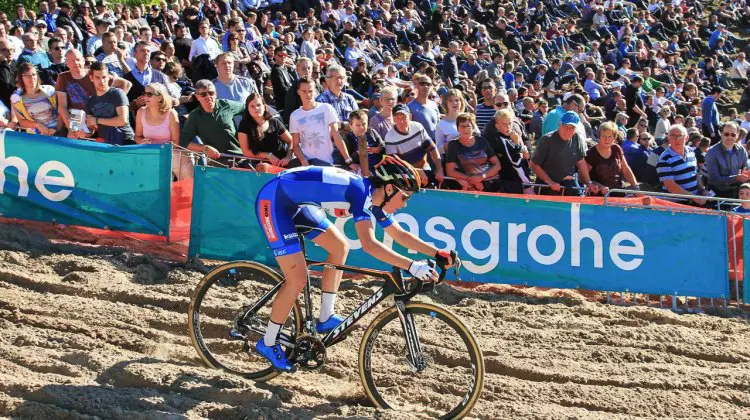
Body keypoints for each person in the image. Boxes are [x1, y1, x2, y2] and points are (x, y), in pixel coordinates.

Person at [253, 156, 455, 372]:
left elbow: (399, 235)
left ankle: (326, 316)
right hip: (274, 201)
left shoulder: (373, 198)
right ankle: (269, 341)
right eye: (404, 197)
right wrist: (412, 266)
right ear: (389, 189)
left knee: (340, 247)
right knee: (298, 279)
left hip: (298, 204)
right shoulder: (362, 194)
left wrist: (437, 252)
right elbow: (369, 245)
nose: (404, 204)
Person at [288, 76, 357, 169]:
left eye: (310, 91)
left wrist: (348, 160)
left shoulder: (327, 108)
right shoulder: (294, 116)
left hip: (328, 162)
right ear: (298, 92)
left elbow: (336, 135)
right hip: (307, 163)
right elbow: (295, 145)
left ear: (315, 91)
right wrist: (303, 161)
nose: (308, 94)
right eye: (304, 91)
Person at [530, 111, 597, 196]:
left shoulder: (577, 138)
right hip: (546, 187)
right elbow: (533, 164)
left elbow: (580, 161)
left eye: (572, 127)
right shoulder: (547, 140)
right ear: (560, 124)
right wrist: (550, 182)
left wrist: (588, 182)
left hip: (568, 185)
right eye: (566, 126)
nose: (568, 130)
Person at [134, 82, 192, 180]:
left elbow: (176, 143)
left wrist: (161, 149)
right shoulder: (140, 112)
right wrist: (141, 141)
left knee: (187, 183)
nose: (145, 97)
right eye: (144, 93)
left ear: (160, 97)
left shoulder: (171, 113)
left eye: (149, 94)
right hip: (150, 154)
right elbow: (137, 137)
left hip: (169, 154)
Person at [180, 79, 246, 164]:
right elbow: (184, 143)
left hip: (240, 157)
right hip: (217, 162)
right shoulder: (195, 116)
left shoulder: (226, 105)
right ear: (197, 97)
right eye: (203, 94)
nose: (208, 97)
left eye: (211, 93)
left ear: (216, 94)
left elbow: (246, 108)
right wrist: (205, 148)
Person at [237, 92, 294, 174]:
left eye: (258, 105)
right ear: (248, 109)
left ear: (264, 106)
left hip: (282, 165)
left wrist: (288, 157)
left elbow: (291, 141)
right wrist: (268, 155)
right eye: (252, 106)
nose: (256, 108)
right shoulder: (244, 125)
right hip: (258, 167)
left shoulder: (274, 122)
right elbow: (246, 152)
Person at [445, 113, 502, 192]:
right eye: (462, 126)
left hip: (492, 182)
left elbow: (497, 165)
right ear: (457, 128)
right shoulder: (453, 145)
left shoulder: (482, 141)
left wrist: (481, 177)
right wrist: (472, 180)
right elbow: (450, 171)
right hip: (471, 185)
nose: (465, 129)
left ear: (473, 128)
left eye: (468, 126)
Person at [82, 62, 134, 145]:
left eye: (104, 77)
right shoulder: (90, 101)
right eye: (97, 77)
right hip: (105, 143)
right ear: (91, 78)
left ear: (109, 77)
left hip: (125, 141)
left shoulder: (117, 93)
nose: (101, 81)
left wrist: (97, 120)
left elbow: (123, 120)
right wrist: (84, 134)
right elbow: (91, 127)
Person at [657, 124, 707, 206]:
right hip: (675, 204)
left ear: (686, 138)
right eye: (673, 136)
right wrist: (693, 197)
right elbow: (671, 186)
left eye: (680, 136)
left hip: (693, 200)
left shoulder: (691, 151)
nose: (676, 139)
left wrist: (702, 190)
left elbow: (695, 173)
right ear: (668, 138)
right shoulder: (664, 159)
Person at [584, 121, 639, 194]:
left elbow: (626, 170)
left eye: (609, 136)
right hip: (598, 195)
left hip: (618, 192)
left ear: (615, 137)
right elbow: (583, 178)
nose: (606, 139)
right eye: (603, 136)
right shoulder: (591, 153)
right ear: (599, 136)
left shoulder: (617, 149)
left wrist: (636, 187)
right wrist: (599, 186)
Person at [10, 62, 61, 136]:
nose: (32, 78)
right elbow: (21, 121)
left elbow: (61, 112)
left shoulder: (50, 90)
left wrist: (57, 130)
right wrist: (37, 125)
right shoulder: (15, 98)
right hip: (37, 137)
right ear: (21, 78)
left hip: (58, 133)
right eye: (27, 75)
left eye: (34, 74)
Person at [490, 109, 532, 194]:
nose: (508, 127)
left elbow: (524, 160)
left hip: (522, 180)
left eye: (510, 123)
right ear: (497, 125)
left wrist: (526, 156)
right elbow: (515, 162)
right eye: (504, 124)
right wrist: (517, 143)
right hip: (512, 182)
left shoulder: (511, 137)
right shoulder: (500, 140)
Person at [704, 121, 750, 198]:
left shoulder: (741, 150)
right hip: (719, 194)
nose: (729, 137)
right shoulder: (712, 152)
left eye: (733, 134)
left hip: (738, 193)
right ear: (721, 134)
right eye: (726, 134)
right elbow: (714, 180)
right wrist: (736, 178)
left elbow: (746, 170)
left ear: (737, 135)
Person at [347, 109, 385, 177]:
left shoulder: (371, 132)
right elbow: (345, 159)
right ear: (351, 125)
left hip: (379, 167)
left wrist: (378, 149)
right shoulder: (348, 139)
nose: (361, 127)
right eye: (357, 125)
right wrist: (358, 153)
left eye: (364, 124)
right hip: (361, 170)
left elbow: (383, 146)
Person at [407, 74, 440, 141]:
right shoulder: (409, 107)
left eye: (428, 84)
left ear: (431, 87)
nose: (425, 86)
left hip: (436, 144)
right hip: (421, 146)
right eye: (422, 84)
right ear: (417, 86)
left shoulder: (434, 104)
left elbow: (438, 125)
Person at [435, 89, 466, 155]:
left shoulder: (468, 118)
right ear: (446, 104)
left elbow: (478, 136)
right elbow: (438, 150)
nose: (454, 103)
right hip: (454, 160)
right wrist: (453, 142)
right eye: (450, 101)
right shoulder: (441, 125)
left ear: (461, 102)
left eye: (457, 100)